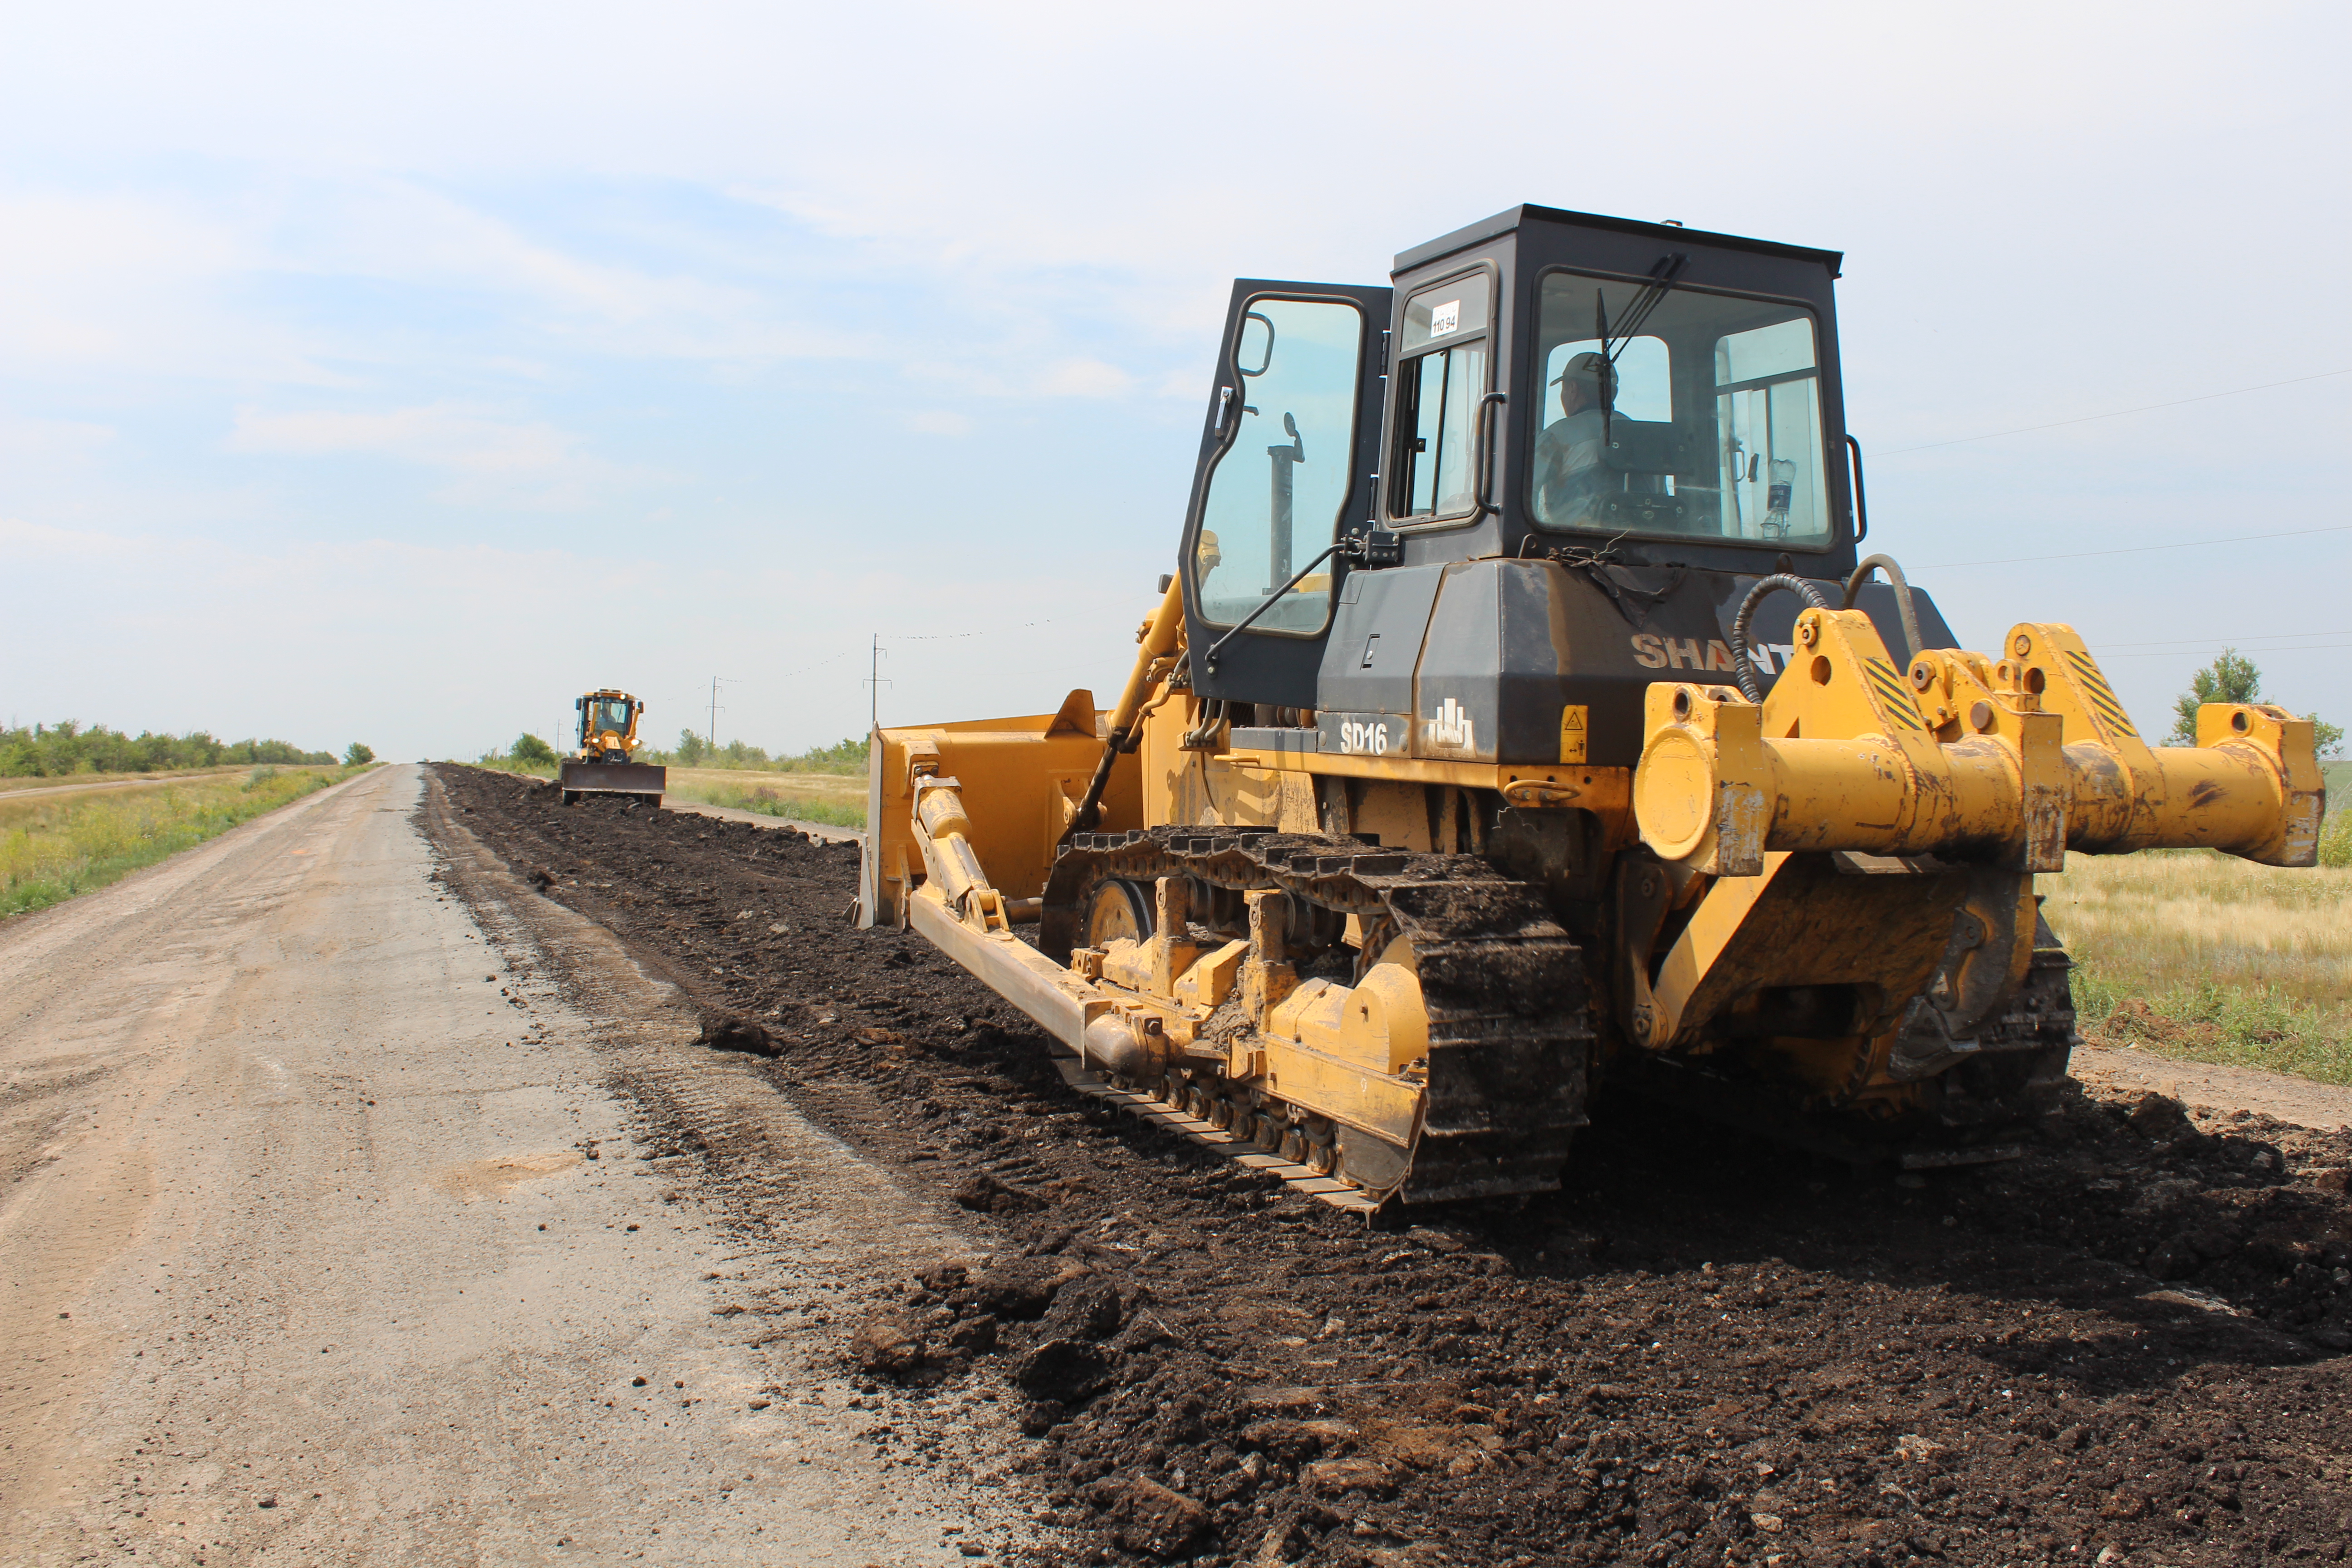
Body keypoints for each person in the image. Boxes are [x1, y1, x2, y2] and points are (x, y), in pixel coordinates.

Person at [1534, 351, 1616, 526]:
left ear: (1573, 389)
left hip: (1577, 541)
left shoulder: (1558, 435)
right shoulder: (1640, 433)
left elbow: (1524, 489)